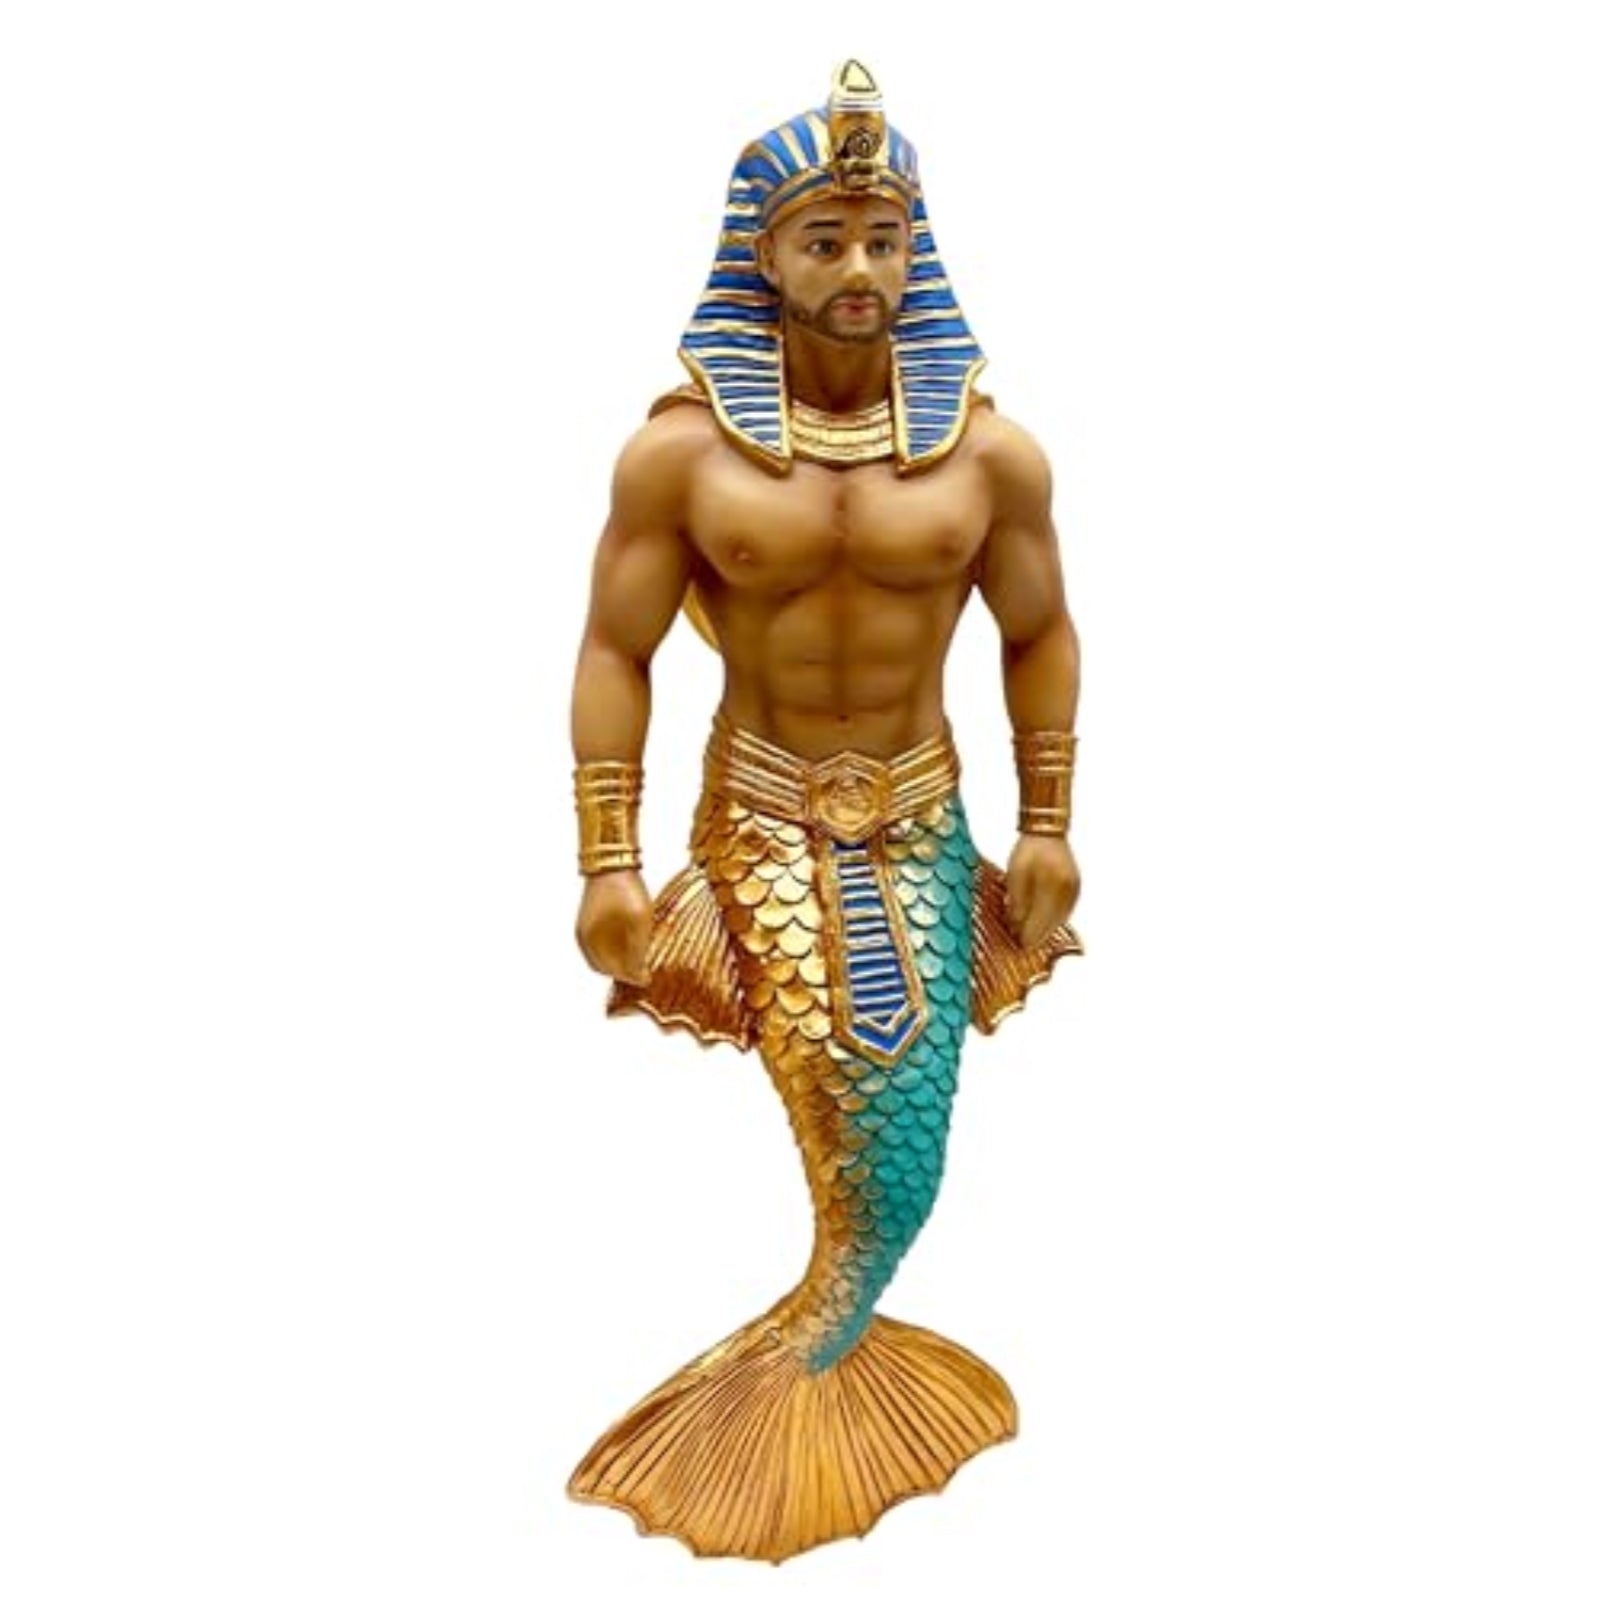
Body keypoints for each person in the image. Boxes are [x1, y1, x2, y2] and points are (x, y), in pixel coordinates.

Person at [566, 60, 1082, 1562]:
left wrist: (1048, 825)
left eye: (885, 238)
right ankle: (787, 1390)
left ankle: (817, 1348)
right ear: (764, 255)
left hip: (919, 817)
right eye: (826, 239)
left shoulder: (992, 457)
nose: (861, 268)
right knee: (851, 1115)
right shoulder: (679, 457)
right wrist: (608, 858)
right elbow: (615, 650)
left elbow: (1040, 633)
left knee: (906, 1160)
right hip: (758, 820)